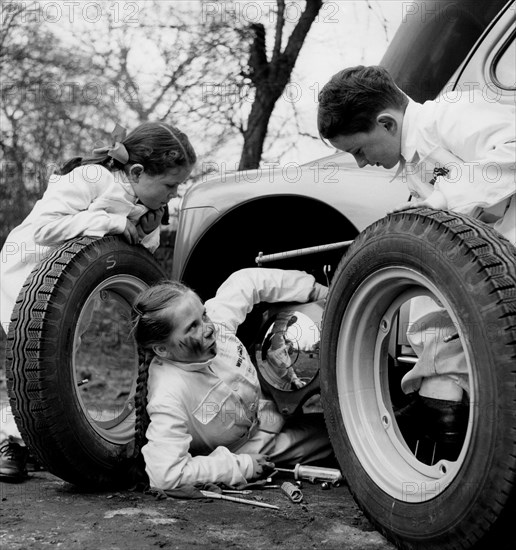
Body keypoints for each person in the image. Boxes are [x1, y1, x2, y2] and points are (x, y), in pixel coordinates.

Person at [317, 65, 515, 459]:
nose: (361, 162)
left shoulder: (449, 115)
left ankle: (439, 411)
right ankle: (440, 413)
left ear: (387, 123)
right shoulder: (412, 165)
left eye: (359, 150)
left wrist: (445, 200)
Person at [0, 121, 197, 482]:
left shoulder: (141, 201)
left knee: (60, 362)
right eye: (170, 185)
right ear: (137, 172)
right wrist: (110, 220)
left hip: (73, 285)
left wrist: (148, 227)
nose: (173, 194)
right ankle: (10, 441)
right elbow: (45, 228)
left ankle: (37, 441)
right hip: (26, 273)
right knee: (40, 361)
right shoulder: (91, 177)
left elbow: (138, 253)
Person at [131, 268, 333, 490]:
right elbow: (165, 474)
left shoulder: (217, 324)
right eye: (192, 327)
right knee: (338, 441)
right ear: (162, 349)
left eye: (204, 315)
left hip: (269, 400)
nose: (209, 329)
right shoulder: (168, 395)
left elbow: (247, 281)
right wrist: (238, 466)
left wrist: (320, 292)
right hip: (251, 446)